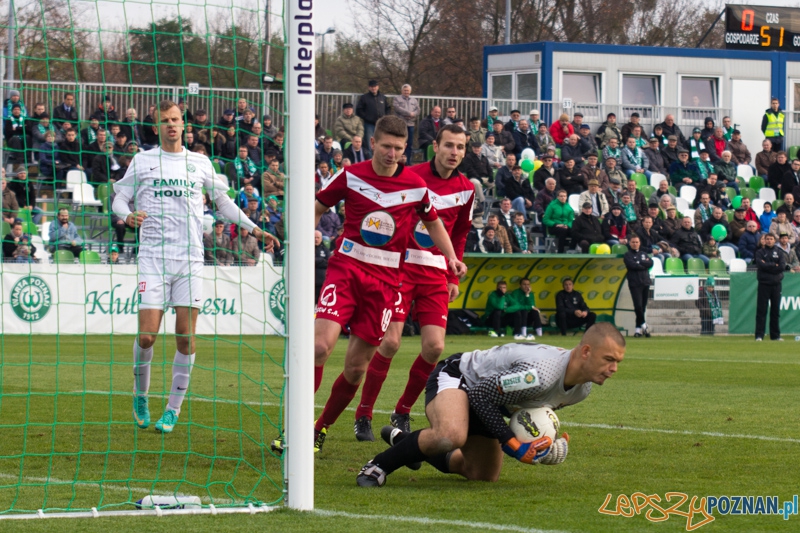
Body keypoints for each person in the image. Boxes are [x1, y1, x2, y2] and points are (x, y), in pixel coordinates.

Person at [285, 117, 465, 453]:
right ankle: (292, 427)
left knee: (355, 367)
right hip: (346, 269)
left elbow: (434, 223)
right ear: (373, 144)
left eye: (398, 148)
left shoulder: (414, 186)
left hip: (385, 283)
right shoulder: (352, 175)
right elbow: (318, 206)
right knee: (320, 347)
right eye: (386, 146)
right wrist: (308, 230)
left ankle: (319, 428)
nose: (392, 153)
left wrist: (451, 258)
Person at [112, 100, 277, 435]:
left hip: (189, 259)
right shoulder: (143, 161)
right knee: (147, 336)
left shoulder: (199, 162)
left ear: (183, 124)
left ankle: (172, 410)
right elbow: (118, 197)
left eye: (176, 119)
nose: (172, 125)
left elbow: (224, 203)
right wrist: (127, 216)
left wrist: (254, 228)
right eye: (164, 121)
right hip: (153, 258)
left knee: (185, 338)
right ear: (156, 126)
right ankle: (140, 396)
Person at [356, 322, 625, 488]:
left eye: (618, 363)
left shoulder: (582, 390)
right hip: (461, 377)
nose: (613, 369)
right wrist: (513, 444)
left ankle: (408, 445)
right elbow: (480, 396)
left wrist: (546, 443)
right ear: (587, 351)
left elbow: (528, 412)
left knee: (482, 475)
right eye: (608, 359)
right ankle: (378, 466)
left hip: (492, 400)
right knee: (451, 434)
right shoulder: (539, 374)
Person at [352, 124, 473, 441]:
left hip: (434, 274)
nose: (454, 153)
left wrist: (452, 273)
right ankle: (363, 413)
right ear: (436, 145)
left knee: (434, 347)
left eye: (460, 147)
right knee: (389, 342)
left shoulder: (467, 189)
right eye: (449, 145)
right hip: (401, 270)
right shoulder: (412, 177)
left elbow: (458, 233)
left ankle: (402, 411)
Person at [754, 233, 785, 341]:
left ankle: (775, 336)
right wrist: (773, 265)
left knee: (775, 311)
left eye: (771, 239)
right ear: (764, 240)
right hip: (764, 284)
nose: (769, 241)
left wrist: (768, 265)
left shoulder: (779, 252)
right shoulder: (760, 252)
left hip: (776, 284)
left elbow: (781, 267)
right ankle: (759, 335)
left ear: (774, 240)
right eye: (767, 239)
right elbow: (760, 265)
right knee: (761, 311)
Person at [624, 235, 653, 337]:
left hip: (645, 282)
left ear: (640, 243)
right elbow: (632, 265)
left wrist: (640, 263)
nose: (635, 244)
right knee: (638, 306)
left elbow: (650, 263)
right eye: (633, 242)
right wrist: (642, 264)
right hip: (635, 283)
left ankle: (637, 330)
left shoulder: (643, 253)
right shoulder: (627, 255)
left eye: (637, 242)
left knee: (643, 307)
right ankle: (644, 325)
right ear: (630, 243)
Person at [356, 80, 390, 148]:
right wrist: (367, 117)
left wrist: (385, 117)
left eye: (375, 86)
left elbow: (388, 108)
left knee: (381, 143)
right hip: (369, 125)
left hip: (381, 125)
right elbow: (359, 110)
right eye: (371, 87)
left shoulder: (383, 97)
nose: (373, 88)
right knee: (370, 144)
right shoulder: (364, 97)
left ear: (378, 87)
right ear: (369, 88)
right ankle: (370, 158)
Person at [543, 189, 574, 253]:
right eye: (561, 196)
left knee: (575, 232)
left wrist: (568, 225)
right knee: (562, 231)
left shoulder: (569, 207)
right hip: (554, 227)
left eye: (564, 196)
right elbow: (545, 219)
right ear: (557, 197)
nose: (563, 198)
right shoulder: (552, 206)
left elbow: (571, 220)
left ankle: (572, 250)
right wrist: (556, 224)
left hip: (565, 226)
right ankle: (560, 252)